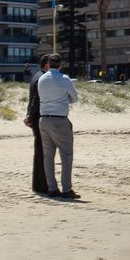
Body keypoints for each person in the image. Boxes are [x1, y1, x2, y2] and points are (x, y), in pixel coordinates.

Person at [37, 53, 80, 199]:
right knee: (66, 155)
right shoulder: (64, 79)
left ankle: (52, 188)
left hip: (44, 119)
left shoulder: (42, 79)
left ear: (48, 64)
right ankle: (66, 189)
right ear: (60, 65)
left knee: (48, 156)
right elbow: (74, 98)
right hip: (59, 120)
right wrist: (64, 98)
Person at [23, 55, 50, 194]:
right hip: (39, 118)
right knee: (41, 153)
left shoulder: (37, 76)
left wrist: (29, 116)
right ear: (47, 65)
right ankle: (41, 185)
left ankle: (39, 185)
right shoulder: (42, 78)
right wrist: (30, 117)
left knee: (39, 153)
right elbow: (35, 100)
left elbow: (32, 100)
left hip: (35, 118)